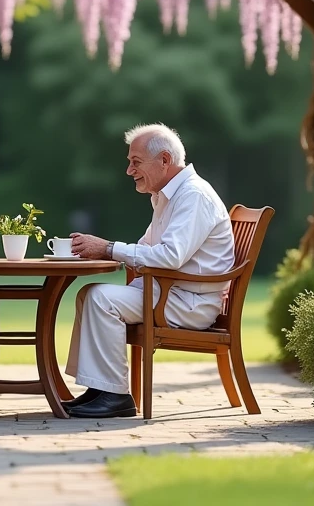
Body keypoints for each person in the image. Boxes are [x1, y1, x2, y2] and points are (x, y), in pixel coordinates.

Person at [64, 123, 235, 418]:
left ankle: (115, 397)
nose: (130, 171)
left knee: (100, 298)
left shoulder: (193, 196)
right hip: (169, 294)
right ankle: (100, 388)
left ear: (165, 160)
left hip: (187, 303)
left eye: (135, 162)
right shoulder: (167, 196)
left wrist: (107, 248)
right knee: (89, 294)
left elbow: (169, 256)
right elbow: (147, 246)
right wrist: (106, 250)